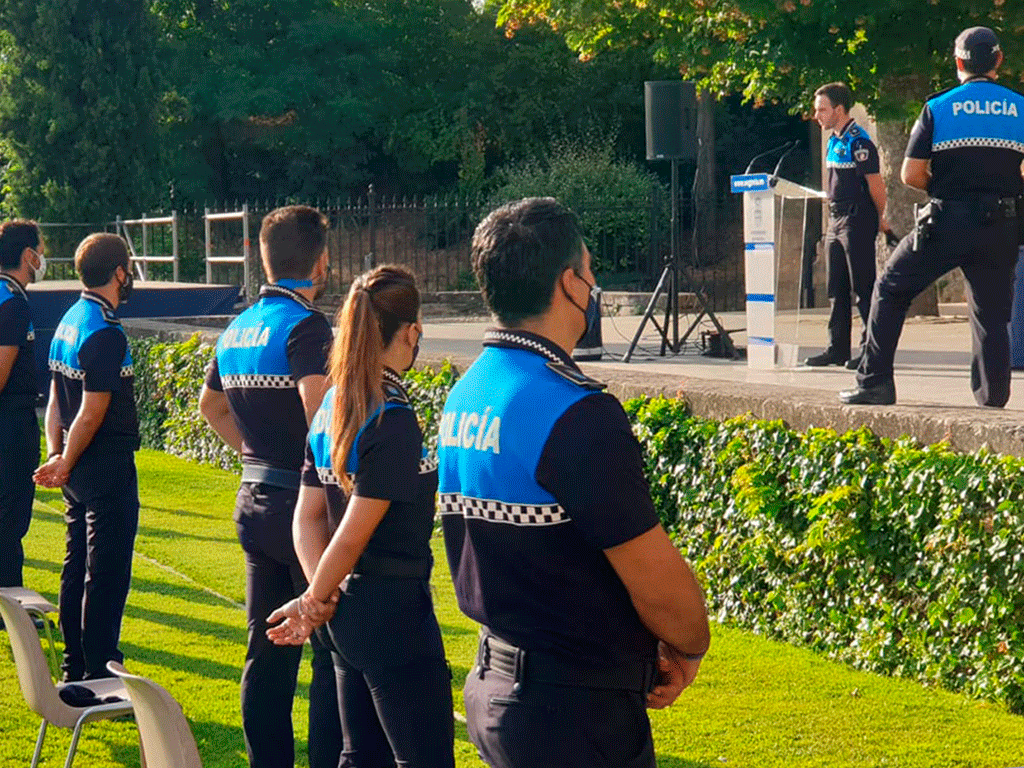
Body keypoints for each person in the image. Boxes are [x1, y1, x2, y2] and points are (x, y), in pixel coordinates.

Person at [437, 197, 710, 768]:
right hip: (571, 712)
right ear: (569, 283)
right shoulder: (573, 410)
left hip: (497, 684)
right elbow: (655, 580)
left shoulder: (467, 392)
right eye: (589, 270)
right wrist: (689, 646)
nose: (593, 285)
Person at [265, 264, 455, 768]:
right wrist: (314, 600)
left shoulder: (333, 404)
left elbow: (308, 518)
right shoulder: (391, 417)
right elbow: (350, 536)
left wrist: (320, 597)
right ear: (411, 332)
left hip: (345, 613)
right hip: (392, 611)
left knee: (360, 756)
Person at [198, 205, 340, 768]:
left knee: (267, 649)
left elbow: (211, 407)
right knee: (330, 653)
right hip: (303, 510)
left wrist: (251, 452)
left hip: (253, 499)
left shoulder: (238, 328)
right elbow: (319, 412)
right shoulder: (306, 325)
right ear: (321, 263)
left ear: (265, 259)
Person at [841, 27, 1024, 406]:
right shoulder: (1020, 107)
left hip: (947, 220)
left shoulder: (939, 107)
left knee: (890, 288)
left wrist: (949, 188)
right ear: (998, 60)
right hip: (1002, 224)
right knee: (991, 314)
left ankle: (874, 382)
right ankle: (993, 398)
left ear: (958, 62)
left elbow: (911, 174)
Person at [34, 233, 139, 681]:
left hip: (77, 464)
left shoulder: (70, 319)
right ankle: (99, 668)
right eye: (127, 269)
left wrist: (57, 452)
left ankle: (74, 663)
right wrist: (65, 457)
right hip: (105, 463)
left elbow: (55, 399)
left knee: (76, 563)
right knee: (106, 571)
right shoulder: (104, 331)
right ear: (118, 273)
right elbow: (93, 411)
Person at [805, 82, 888, 369]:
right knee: (836, 288)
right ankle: (836, 348)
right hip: (835, 219)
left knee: (863, 287)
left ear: (839, 109)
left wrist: (881, 217)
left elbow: (875, 184)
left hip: (856, 218)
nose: (817, 116)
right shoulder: (833, 140)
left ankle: (869, 350)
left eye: (822, 110)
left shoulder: (859, 141)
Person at [0, 221, 45, 588]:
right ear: (28, 255)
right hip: (10, 426)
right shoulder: (11, 303)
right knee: (9, 522)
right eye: (40, 251)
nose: (43, 259)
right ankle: (8, 602)